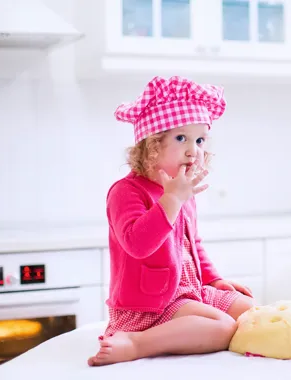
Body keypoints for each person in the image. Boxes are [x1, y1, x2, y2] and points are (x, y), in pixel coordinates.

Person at [88, 76, 255, 366]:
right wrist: (171, 200)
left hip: (189, 290)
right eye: (182, 138)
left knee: (251, 313)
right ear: (151, 145)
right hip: (150, 304)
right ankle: (136, 343)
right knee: (224, 327)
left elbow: (193, 244)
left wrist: (214, 279)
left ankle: (188, 323)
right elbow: (138, 244)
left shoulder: (182, 190)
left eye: (200, 140)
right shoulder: (126, 191)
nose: (194, 150)